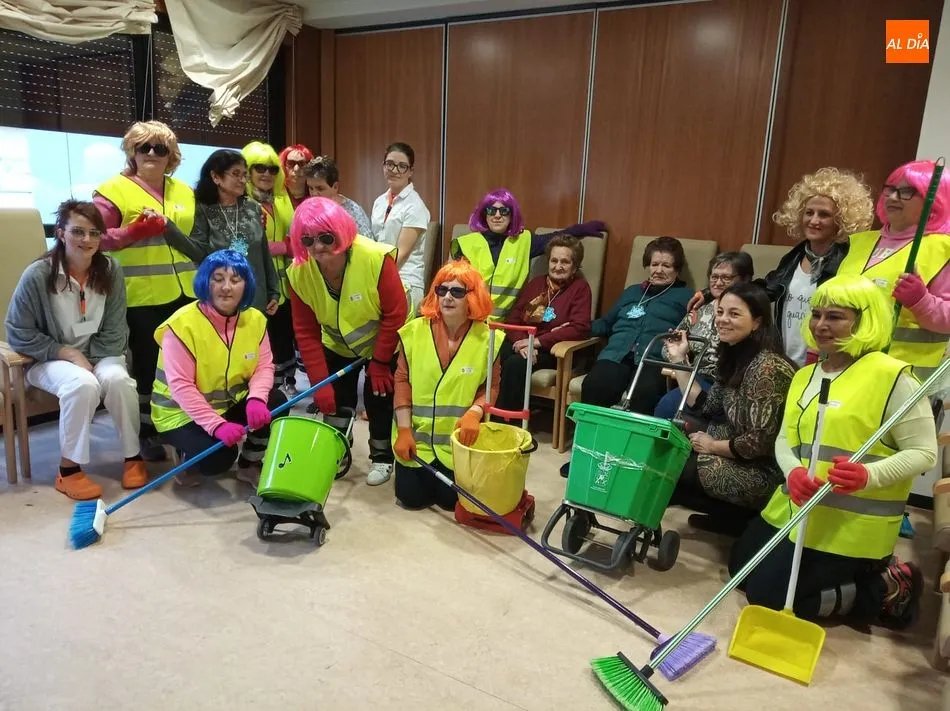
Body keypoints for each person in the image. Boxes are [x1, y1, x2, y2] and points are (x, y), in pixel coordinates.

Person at [729, 274, 937, 628]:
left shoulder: (894, 377)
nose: (821, 325)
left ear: (864, 319)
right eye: (817, 314)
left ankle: (883, 584)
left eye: (835, 317)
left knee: (767, 596)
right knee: (740, 569)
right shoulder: (805, 376)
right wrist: (793, 470)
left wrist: (868, 475)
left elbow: (924, 452)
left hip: (851, 526)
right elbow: (785, 440)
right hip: (795, 509)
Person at [5, 200, 146, 500]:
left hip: (101, 353)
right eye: (78, 232)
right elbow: (18, 330)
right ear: (60, 233)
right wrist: (67, 353)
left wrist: (94, 361)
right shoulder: (38, 275)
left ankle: (133, 458)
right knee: (81, 384)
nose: (87, 240)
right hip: (49, 358)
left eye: (94, 233)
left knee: (120, 381)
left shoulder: (111, 269)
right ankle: (68, 471)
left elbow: (116, 325)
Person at [687, 167, 874, 366]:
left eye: (824, 214)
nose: (814, 220)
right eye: (809, 212)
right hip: (784, 358)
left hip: (824, 360)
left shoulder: (849, 263)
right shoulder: (793, 258)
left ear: (840, 220)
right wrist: (710, 293)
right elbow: (760, 291)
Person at [94, 119, 197, 460]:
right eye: (144, 147)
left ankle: (183, 426)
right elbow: (94, 238)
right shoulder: (112, 191)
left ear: (172, 156)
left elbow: (193, 236)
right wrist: (134, 231)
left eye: (160, 148)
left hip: (186, 293)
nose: (152, 153)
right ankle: (148, 433)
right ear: (132, 152)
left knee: (184, 365)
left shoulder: (184, 191)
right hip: (140, 296)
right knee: (149, 367)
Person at [288, 197, 409, 486]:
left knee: (378, 398)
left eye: (326, 237)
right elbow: (305, 332)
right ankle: (337, 448)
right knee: (336, 400)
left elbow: (396, 313)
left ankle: (381, 457)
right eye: (308, 240)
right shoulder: (298, 274)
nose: (317, 247)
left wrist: (379, 362)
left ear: (341, 233)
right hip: (337, 345)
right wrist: (320, 384)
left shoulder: (375, 259)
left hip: (384, 342)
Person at [665, 282, 795, 535]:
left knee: (675, 468)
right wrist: (680, 360)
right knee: (671, 434)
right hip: (740, 447)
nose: (723, 319)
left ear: (757, 322)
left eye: (734, 314)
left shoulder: (767, 368)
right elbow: (704, 406)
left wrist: (712, 446)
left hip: (768, 471)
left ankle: (741, 519)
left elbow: (758, 444)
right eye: (721, 312)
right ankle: (727, 516)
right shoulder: (736, 354)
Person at [151, 250, 286, 487]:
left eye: (235, 280)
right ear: (205, 281)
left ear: (246, 285)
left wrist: (256, 399)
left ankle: (250, 464)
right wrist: (217, 425)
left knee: (276, 402)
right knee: (219, 459)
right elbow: (181, 386)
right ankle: (187, 457)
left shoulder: (255, 319)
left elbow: (264, 366)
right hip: (178, 413)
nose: (226, 287)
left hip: (226, 403)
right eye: (218, 278)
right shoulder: (181, 325)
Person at [392, 260, 500, 509]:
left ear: (472, 297)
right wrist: (405, 430)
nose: (448, 297)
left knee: (451, 502)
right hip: (416, 441)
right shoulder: (413, 332)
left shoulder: (489, 339)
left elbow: (491, 386)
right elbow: (401, 382)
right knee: (411, 500)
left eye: (457, 291)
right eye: (442, 290)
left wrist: (476, 412)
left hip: (457, 445)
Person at [838, 159, 950, 376]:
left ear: (935, 200)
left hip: (903, 374)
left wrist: (921, 302)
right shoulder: (860, 243)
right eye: (891, 189)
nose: (892, 197)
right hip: (844, 363)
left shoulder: (943, 249)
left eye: (907, 191)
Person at [450, 188, 605, 320]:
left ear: (512, 215)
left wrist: (580, 229)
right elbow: (448, 286)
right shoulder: (465, 244)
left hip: (505, 328)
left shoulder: (524, 242)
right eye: (491, 210)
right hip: (468, 323)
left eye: (504, 211)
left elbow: (556, 238)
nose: (497, 215)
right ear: (484, 214)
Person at [163, 150, 281, 318]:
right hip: (221, 301)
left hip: (256, 299)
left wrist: (274, 292)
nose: (242, 180)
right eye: (235, 174)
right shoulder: (202, 209)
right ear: (216, 177)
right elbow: (199, 251)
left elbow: (263, 252)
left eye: (244, 175)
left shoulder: (253, 208)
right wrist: (168, 228)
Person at [582, 236, 693, 413]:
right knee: (596, 384)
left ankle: (630, 441)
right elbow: (606, 323)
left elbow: (691, 331)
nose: (658, 270)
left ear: (677, 270)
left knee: (644, 394)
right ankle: (595, 439)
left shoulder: (686, 296)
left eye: (666, 266)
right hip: (616, 356)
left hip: (653, 360)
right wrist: (576, 328)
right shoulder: (631, 292)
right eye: (654, 264)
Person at [495, 235, 592, 415]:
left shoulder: (580, 288)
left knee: (515, 365)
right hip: (525, 344)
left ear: (575, 266)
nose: (558, 266)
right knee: (493, 353)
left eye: (565, 262)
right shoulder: (536, 284)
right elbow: (513, 320)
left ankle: (508, 421)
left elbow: (580, 327)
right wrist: (524, 343)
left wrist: (536, 342)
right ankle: (483, 411)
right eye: (554, 260)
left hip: (554, 350)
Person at [655, 252, 754, 419]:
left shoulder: (749, 313)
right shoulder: (699, 311)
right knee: (666, 406)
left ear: (744, 279)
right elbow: (667, 349)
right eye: (714, 277)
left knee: (677, 409)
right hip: (695, 377)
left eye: (726, 278)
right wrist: (680, 355)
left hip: (730, 384)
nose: (718, 282)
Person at [241, 141, 297, 398]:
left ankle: (283, 388)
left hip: (284, 284)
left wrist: (282, 247)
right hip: (253, 283)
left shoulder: (282, 200)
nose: (266, 174)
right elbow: (237, 245)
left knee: (282, 338)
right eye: (259, 167)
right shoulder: (242, 202)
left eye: (272, 169)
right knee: (258, 341)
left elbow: (297, 240)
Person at [371, 142, 431, 309]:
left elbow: (401, 255)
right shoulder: (379, 202)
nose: (395, 171)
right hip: (378, 277)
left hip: (405, 281)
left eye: (402, 166)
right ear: (383, 166)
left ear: (410, 171)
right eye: (390, 164)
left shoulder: (415, 206)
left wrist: (374, 281)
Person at [304, 155, 373, 238]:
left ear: (335, 187)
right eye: (311, 188)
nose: (314, 194)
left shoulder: (352, 211)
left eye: (320, 188)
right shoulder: (306, 209)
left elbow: (367, 242)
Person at [280, 144, 314, 209]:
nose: (296, 169)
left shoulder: (316, 194)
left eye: (301, 164)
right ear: (283, 165)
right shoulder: (274, 195)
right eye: (290, 163)